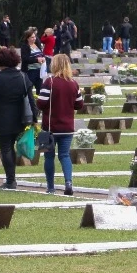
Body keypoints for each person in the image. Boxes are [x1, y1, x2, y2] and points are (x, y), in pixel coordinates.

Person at [0, 48, 37, 190]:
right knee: (12, 148)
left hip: (1, 118)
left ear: (0, 62)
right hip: (21, 118)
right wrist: (34, 118)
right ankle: (11, 180)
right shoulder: (23, 76)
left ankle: (11, 180)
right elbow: (31, 99)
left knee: (6, 148)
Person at [38, 54, 83, 196]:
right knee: (65, 155)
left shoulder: (49, 82)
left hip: (49, 127)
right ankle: (68, 182)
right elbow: (79, 104)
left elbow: (41, 103)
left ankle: (50, 187)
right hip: (67, 127)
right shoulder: (73, 83)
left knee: (48, 157)